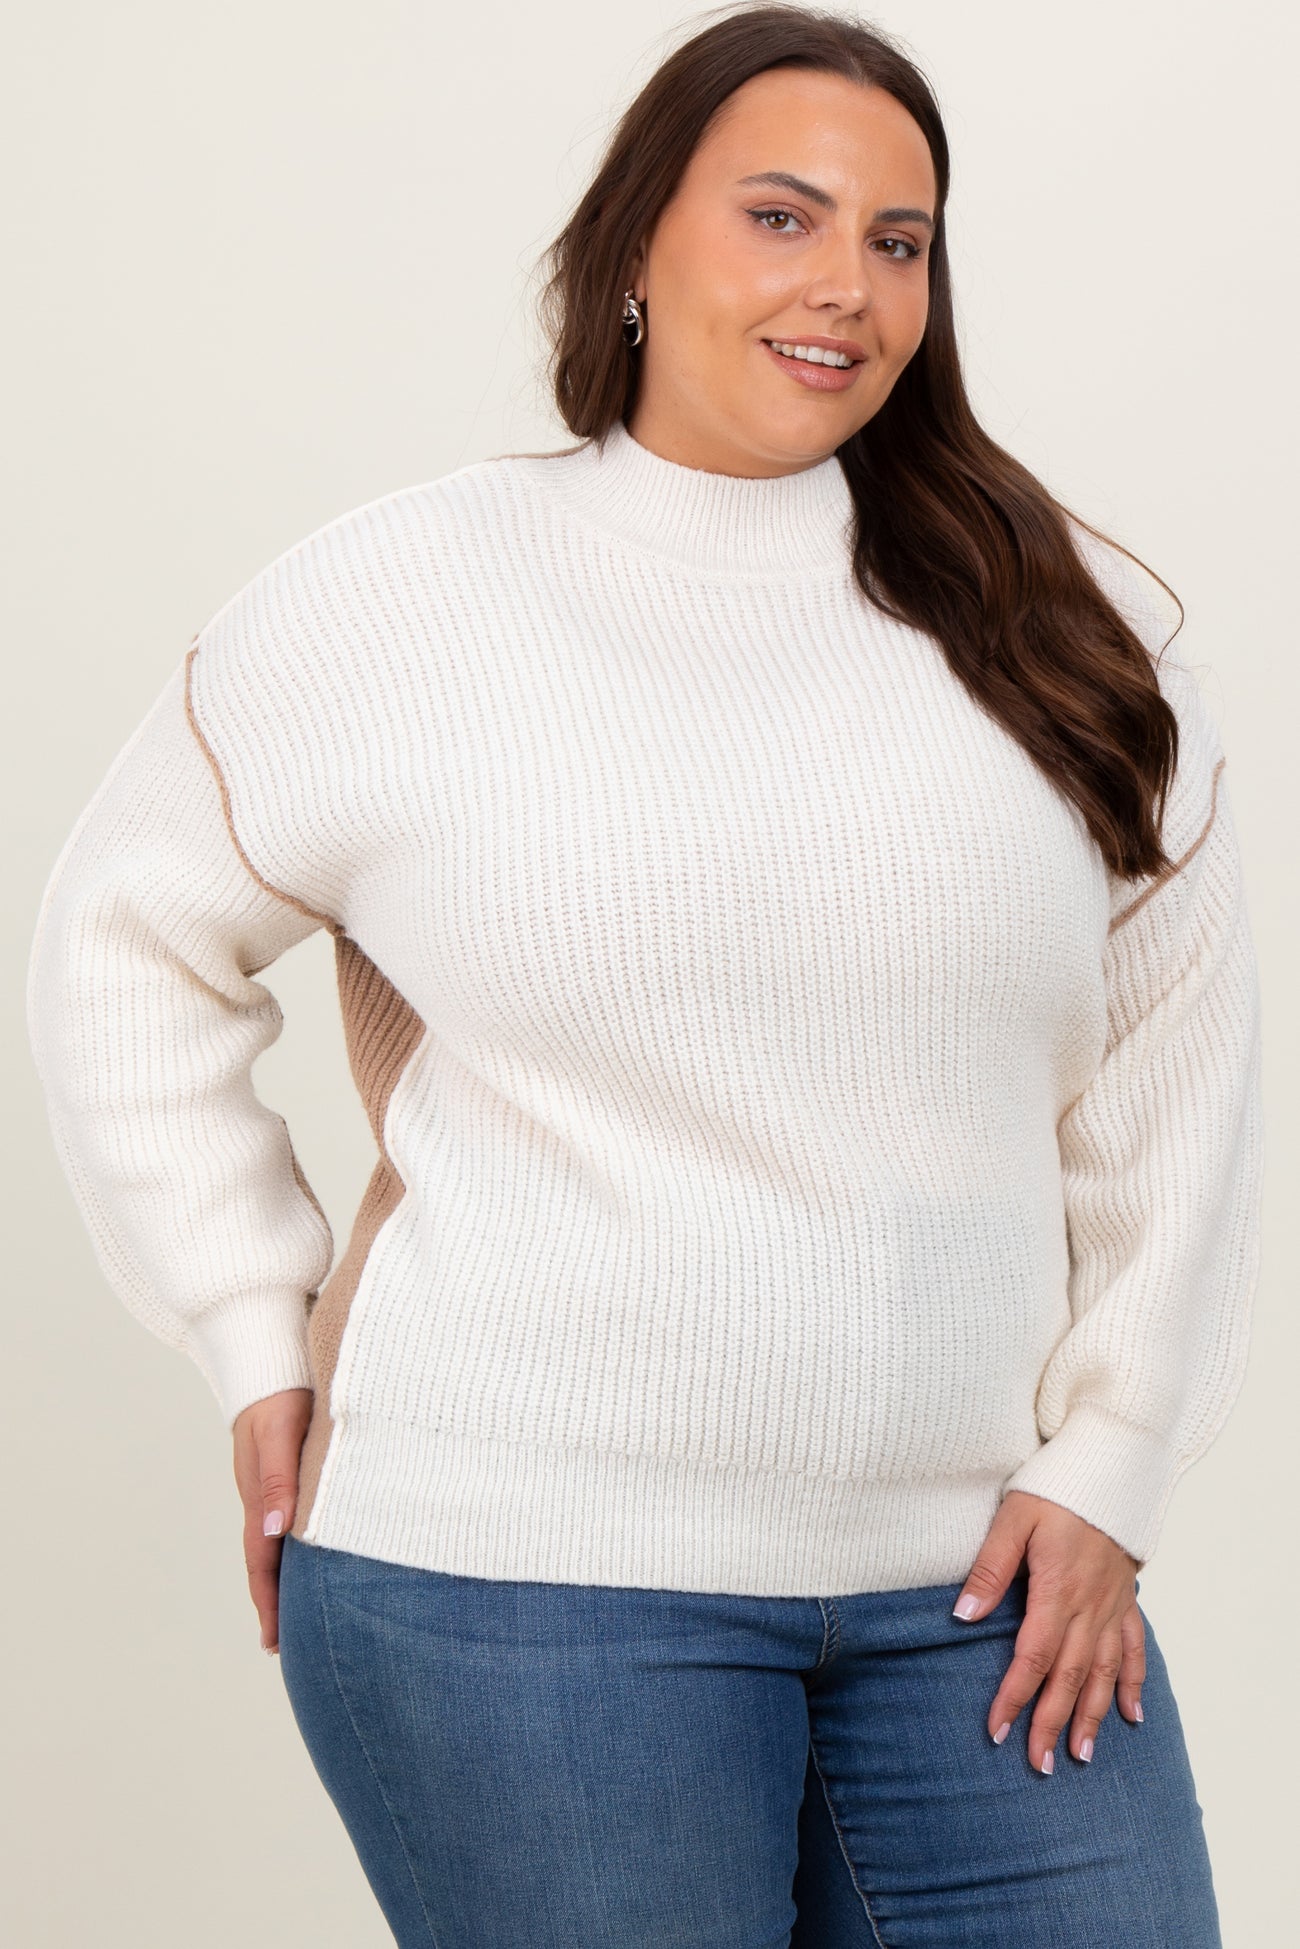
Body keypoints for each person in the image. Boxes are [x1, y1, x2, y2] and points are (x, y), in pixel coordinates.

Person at [27, 6, 1263, 1945]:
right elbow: (128, 938)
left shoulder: (1060, 633)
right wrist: (247, 1320)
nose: (845, 285)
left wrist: (1111, 1461)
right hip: (516, 1585)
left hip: (983, 1588)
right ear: (632, 247)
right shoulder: (399, 604)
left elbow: (1171, 1080)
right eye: (781, 216)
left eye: (897, 241)